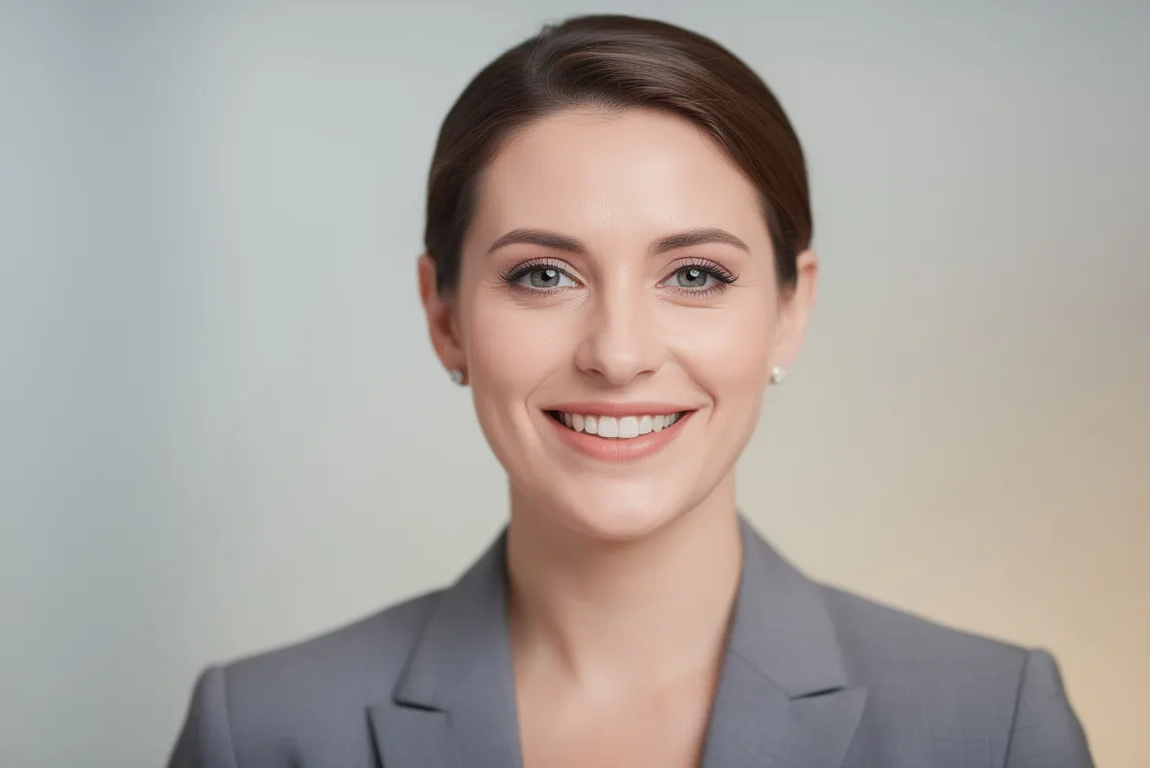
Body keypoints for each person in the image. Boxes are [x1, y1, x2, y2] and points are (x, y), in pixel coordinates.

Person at [168, 13, 1094, 767]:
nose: (618, 354)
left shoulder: (994, 726)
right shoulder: (262, 733)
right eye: (542, 275)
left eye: (694, 275)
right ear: (443, 315)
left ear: (789, 309)